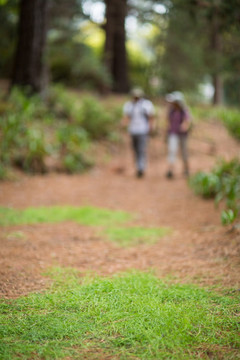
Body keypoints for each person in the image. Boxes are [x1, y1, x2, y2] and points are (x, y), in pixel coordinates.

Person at [122, 87, 155, 178]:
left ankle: (141, 167)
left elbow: (151, 117)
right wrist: (123, 125)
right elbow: (126, 117)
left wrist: (151, 127)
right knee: (135, 150)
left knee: (141, 150)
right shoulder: (129, 105)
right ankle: (138, 167)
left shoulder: (146, 105)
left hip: (143, 130)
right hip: (133, 131)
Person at [165, 91, 191, 179]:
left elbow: (187, 121)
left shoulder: (184, 110)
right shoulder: (171, 110)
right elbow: (168, 120)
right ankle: (170, 170)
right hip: (173, 133)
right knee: (172, 151)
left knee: (184, 152)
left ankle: (186, 169)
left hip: (182, 135)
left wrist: (184, 126)